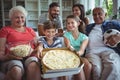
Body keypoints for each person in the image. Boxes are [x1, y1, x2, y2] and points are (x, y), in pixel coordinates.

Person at [0, 6, 41, 80]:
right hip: (11, 59)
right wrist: (8, 57)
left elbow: (39, 43)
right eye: (17, 17)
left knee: (33, 65)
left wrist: (40, 47)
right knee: (16, 70)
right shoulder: (5, 30)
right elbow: (1, 52)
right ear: (11, 19)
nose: (20, 20)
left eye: (22, 17)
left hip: (29, 56)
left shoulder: (30, 30)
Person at [85, 7, 120, 80]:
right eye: (94, 15)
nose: (97, 16)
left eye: (99, 14)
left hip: (108, 50)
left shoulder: (112, 24)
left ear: (105, 14)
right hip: (92, 52)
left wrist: (119, 36)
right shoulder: (88, 27)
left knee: (112, 65)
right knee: (96, 69)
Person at [64, 15, 92, 80]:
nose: (70, 25)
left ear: (78, 23)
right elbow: (68, 46)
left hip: (80, 55)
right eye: (68, 23)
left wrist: (78, 53)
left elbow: (82, 50)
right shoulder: (66, 35)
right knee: (78, 66)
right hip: (69, 55)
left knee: (88, 65)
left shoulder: (84, 37)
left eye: (72, 23)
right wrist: (72, 49)